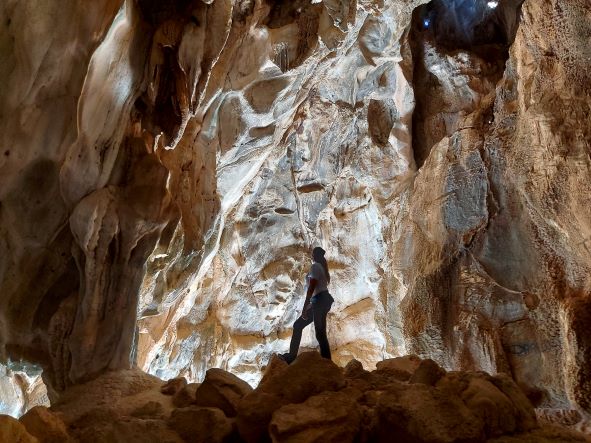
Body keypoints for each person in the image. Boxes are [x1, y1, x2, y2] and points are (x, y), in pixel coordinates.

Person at [280, 246, 334, 363]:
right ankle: (326, 362)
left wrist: (305, 306)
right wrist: (311, 305)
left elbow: (312, 287)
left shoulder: (315, 267)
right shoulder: (321, 267)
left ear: (314, 255)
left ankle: (292, 357)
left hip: (320, 301)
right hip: (322, 301)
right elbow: (319, 289)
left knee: (311, 330)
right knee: (317, 332)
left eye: (312, 253)